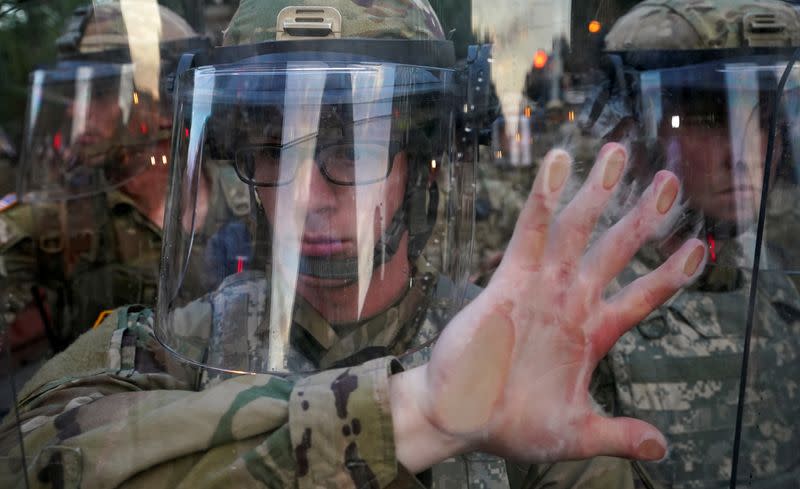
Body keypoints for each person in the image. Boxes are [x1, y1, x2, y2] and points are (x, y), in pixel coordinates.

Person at [0, 1, 707, 488]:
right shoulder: (183, 341)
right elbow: (29, 454)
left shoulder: (511, 356)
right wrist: (415, 411)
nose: (309, 194)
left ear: (419, 163)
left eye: (353, 147)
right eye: (275, 150)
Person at [580, 0, 800, 486]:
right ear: (636, 136)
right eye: (708, 120)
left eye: (761, 120)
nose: (743, 156)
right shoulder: (587, 304)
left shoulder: (780, 282)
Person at [0, 2, 243, 372]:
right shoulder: (58, 215)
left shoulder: (251, 195)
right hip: (105, 417)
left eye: (99, 92)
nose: (74, 111)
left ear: (161, 102)